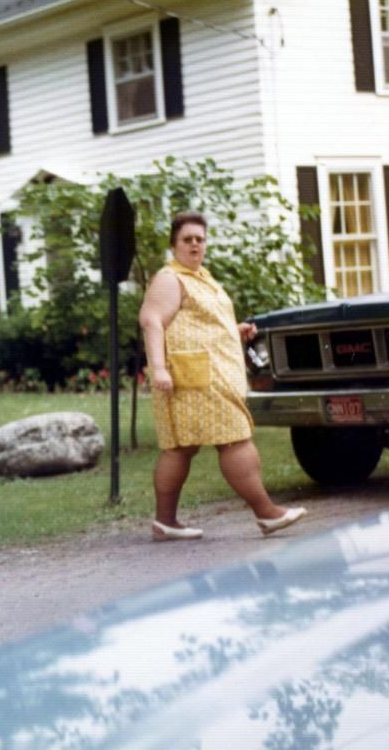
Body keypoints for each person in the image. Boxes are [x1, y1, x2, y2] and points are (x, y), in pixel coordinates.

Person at [139, 211, 307, 541]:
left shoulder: (200, 277)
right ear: (174, 244)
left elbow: (198, 322)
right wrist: (158, 368)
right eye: (187, 239)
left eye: (200, 239)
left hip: (205, 375)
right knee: (234, 438)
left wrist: (234, 330)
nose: (195, 245)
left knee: (181, 448)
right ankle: (267, 513)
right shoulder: (169, 278)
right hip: (194, 378)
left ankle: (165, 522)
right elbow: (151, 320)